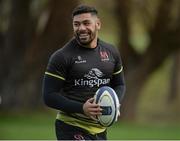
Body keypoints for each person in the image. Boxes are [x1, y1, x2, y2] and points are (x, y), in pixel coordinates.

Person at [42, 4, 126, 140]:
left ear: (98, 24)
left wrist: (115, 103)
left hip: (100, 129)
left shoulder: (111, 52)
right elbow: (49, 96)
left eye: (86, 23)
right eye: (76, 24)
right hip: (71, 126)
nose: (81, 28)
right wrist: (82, 108)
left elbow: (120, 85)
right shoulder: (62, 56)